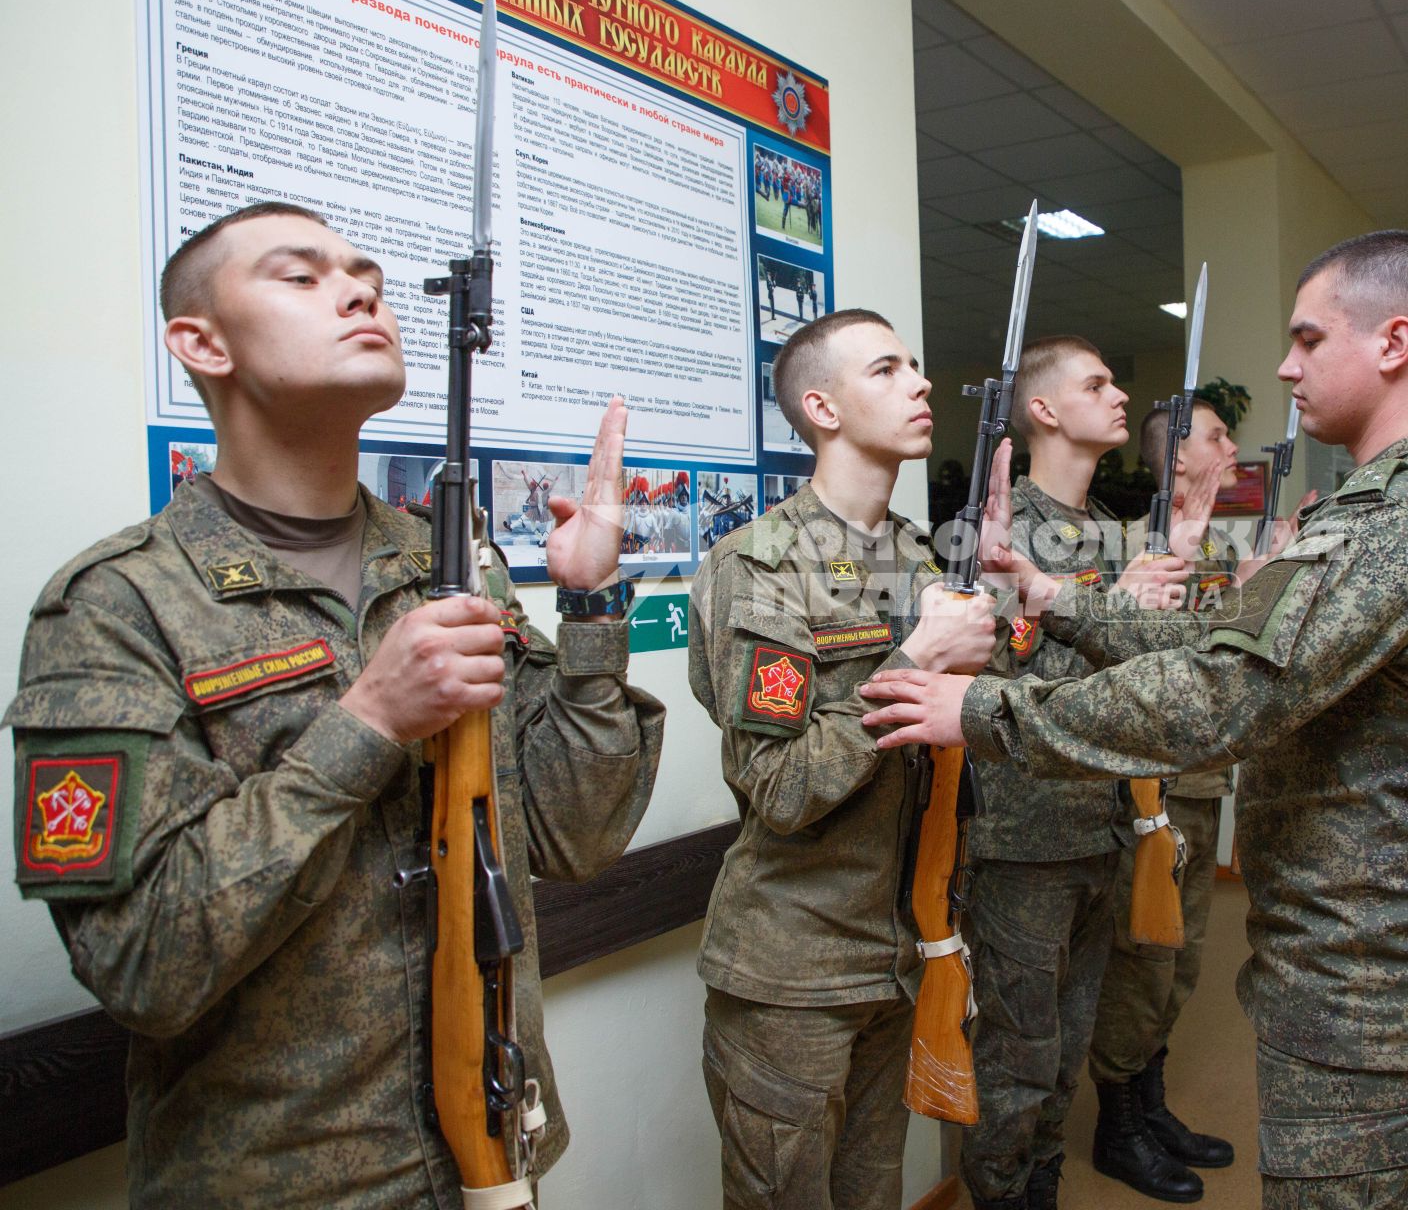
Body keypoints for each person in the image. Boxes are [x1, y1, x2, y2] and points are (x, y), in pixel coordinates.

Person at [7, 202, 666, 1208]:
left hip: (491, 1148)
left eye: (366, 274)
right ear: (200, 340)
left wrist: (585, 607)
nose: (360, 289)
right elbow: (146, 961)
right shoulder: (116, 605)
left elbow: (578, 833)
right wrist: (366, 722)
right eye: (300, 274)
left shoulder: (447, 563)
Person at [860, 230, 1408, 1210]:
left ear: (1393, 343)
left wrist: (983, 706)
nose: (1284, 364)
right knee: (1027, 1061)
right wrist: (1058, 595)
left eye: (1308, 336)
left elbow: (1220, 688)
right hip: (1360, 960)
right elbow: (1219, 653)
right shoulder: (1407, 506)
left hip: (1376, 985)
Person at [687, 307, 1002, 1210]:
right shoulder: (762, 567)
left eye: (915, 364)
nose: (921, 382)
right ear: (821, 408)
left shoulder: (920, 559)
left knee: (872, 1195)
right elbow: (782, 789)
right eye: (887, 369)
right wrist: (917, 659)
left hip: (902, 954)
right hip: (794, 973)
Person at [959, 334, 1170, 1210]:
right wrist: (1113, 616)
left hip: (1102, 830)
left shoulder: (1115, 539)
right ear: (1043, 410)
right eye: (1097, 383)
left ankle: (1041, 1187)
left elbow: (1154, 685)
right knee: (1017, 1062)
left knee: (1068, 1053)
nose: (1120, 395)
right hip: (1023, 843)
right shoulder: (999, 531)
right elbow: (994, 697)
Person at [1084, 395, 1243, 1201]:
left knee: (1182, 966)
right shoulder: (1124, 547)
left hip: (1204, 778)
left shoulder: (1216, 543)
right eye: (1218, 435)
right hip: (1150, 792)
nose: (1234, 445)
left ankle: (1151, 1105)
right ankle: (1119, 1123)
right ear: (1177, 456)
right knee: (1143, 962)